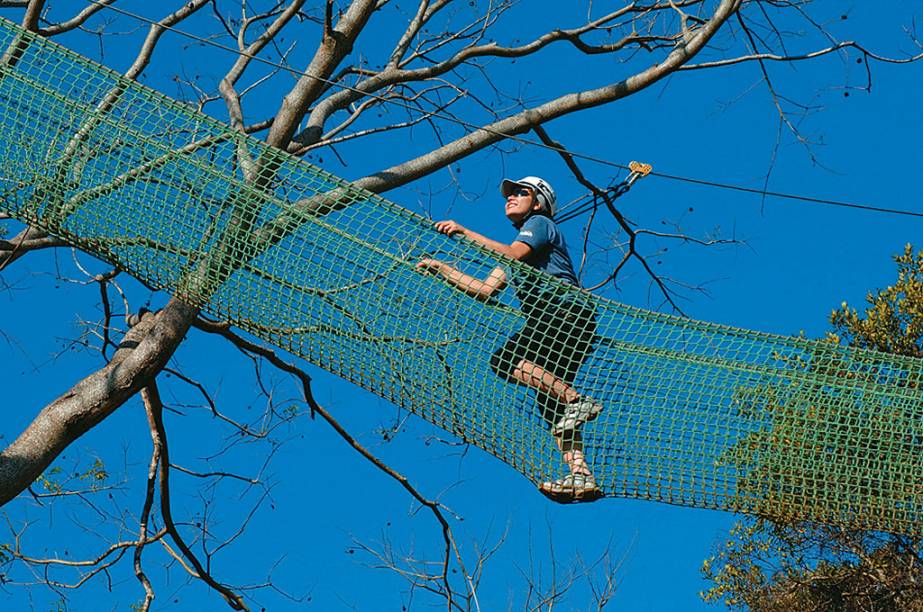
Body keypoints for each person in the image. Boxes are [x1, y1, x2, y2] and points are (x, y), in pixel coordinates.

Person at [417, 175, 603, 502]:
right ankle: (581, 476)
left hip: (563, 311)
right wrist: (441, 269)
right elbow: (485, 290)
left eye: (521, 192)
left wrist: (464, 231)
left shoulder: (540, 224)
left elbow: (511, 253)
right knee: (551, 406)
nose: (511, 197)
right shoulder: (519, 246)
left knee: (504, 360)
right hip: (562, 324)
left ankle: (576, 399)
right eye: (510, 193)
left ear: (539, 202)